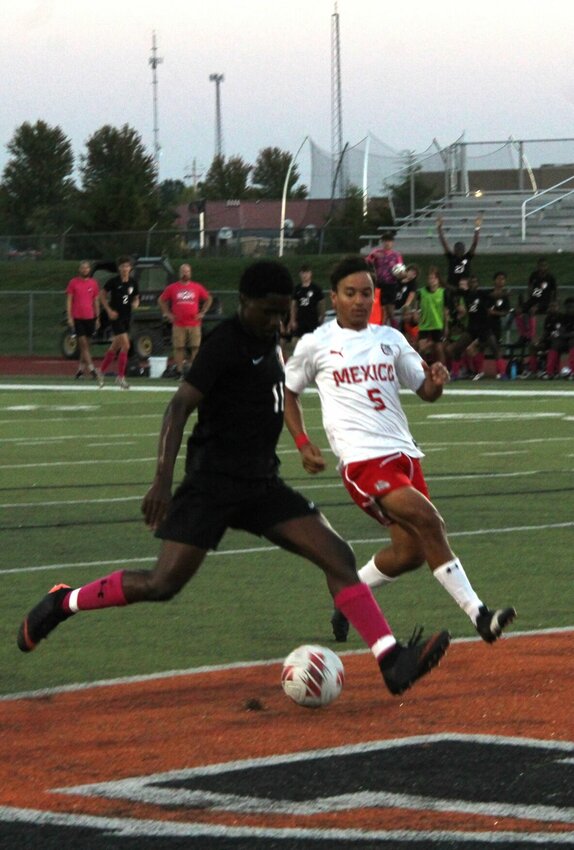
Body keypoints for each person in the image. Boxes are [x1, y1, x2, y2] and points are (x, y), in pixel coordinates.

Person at [16, 260, 450, 698]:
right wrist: (162, 482)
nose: (276, 321)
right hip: (213, 484)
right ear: (244, 303)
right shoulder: (225, 343)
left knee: (337, 555)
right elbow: (178, 406)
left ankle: (391, 660)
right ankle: (63, 601)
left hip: (261, 484)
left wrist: (299, 443)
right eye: (268, 312)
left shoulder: (271, 335)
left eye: (282, 313)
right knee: (161, 584)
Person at [284, 255, 515, 646]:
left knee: (408, 553)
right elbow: (289, 394)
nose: (359, 300)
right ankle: (480, 615)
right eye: (350, 293)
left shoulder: (389, 339)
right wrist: (304, 443)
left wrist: (437, 381)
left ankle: (348, 596)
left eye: (366, 293)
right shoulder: (316, 344)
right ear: (333, 298)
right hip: (362, 460)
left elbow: (425, 390)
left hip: (404, 454)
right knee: (429, 521)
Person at [158, 263, 213, 377]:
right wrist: (167, 313)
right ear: (180, 273)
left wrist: (202, 312)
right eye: (183, 271)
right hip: (178, 324)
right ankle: (179, 371)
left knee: (195, 347)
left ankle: (193, 371)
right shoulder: (172, 288)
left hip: (194, 323)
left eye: (187, 271)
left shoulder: (197, 287)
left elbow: (208, 298)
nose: (185, 273)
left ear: (190, 273)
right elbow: (161, 300)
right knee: (179, 347)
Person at [98, 256, 141, 389]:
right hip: (116, 317)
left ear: (130, 268)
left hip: (127, 317)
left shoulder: (133, 282)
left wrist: (135, 303)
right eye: (122, 267)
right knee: (126, 346)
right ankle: (121, 377)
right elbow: (102, 295)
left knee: (115, 346)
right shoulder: (113, 281)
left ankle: (101, 371)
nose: (125, 269)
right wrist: (109, 310)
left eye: (127, 266)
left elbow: (136, 297)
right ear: (119, 268)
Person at [65, 260, 103, 384]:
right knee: (83, 344)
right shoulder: (73, 282)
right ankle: (92, 369)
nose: (85, 270)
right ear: (79, 269)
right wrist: (70, 317)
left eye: (87, 268)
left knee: (86, 345)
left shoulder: (94, 283)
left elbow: (96, 301)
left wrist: (97, 317)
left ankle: (80, 369)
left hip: (90, 317)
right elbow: (69, 300)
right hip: (78, 317)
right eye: (83, 268)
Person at [465, 275, 507, 380]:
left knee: (495, 348)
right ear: (494, 281)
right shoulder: (486, 293)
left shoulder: (504, 296)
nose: (500, 281)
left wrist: (494, 312)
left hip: (495, 325)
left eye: (502, 279)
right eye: (498, 279)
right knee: (480, 348)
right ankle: (479, 372)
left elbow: (505, 311)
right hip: (484, 325)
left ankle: (501, 373)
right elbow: (480, 307)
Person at [366, 231, 407, 327]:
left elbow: (400, 268)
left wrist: (401, 274)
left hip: (391, 284)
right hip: (379, 284)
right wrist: (373, 258)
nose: (387, 243)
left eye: (389, 241)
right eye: (385, 241)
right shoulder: (376, 253)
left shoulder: (396, 255)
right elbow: (367, 261)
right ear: (382, 242)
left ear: (392, 243)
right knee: (381, 310)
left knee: (390, 310)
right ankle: (381, 328)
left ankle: (394, 328)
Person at [437, 215, 481, 292]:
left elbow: (474, 243)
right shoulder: (451, 257)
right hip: (452, 287)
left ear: (464, 250)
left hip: (465, 287)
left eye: (461, 248)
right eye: (457, 248)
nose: (459, 250)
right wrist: (439, 228)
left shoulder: (467, 257)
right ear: (454, 249)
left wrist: (477, 228)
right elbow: (443, 242)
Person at [416, 266, 448, 365]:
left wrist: (446, 326)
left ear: (438, 280)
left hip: (437, 324)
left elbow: (445, 311)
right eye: (429, 278)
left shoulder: (443, 292)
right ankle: (422, 370)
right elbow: (417, 308)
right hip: (424, 324)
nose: (431, 281)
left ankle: (442, 369)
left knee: (438, 349)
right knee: (422, 348)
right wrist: (416, 314)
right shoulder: (422, 292)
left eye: (433, 278)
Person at [288, 264, 326, 341]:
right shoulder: (297, 289)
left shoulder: (316, 288)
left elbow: (321, 304)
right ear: (300, 274)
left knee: (313, 340)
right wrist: (292, 320)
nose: (305, 275)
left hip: (312, 319)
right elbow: (293, 305)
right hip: (300, 319)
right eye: (303, 273)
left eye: (306, 273)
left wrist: (322, 316)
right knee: (296, 340)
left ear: (310, 274)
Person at [541, 297, 574, 380]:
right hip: (565, 339)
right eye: (567, 307)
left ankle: (572, 372)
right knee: (555, 343)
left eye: (571, 307)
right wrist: (563, 335)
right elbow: (560, 330)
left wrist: (565, 335)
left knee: (572, 341)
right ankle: (550, 372)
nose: (569, 309)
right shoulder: (562, 317)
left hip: (571, 340)